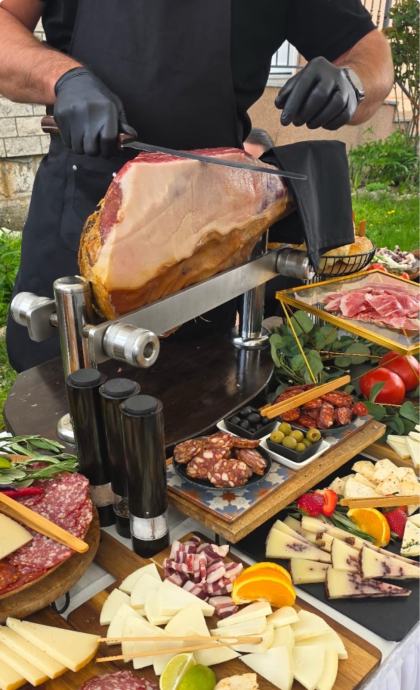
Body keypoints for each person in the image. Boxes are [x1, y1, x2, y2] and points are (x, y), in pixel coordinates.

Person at [0, 0, 393, 372]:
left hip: (209, 232)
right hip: (83, 209)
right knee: (61, 392)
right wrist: (62, 78)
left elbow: (371, 54)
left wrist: (352, 81)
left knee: (194, 390)